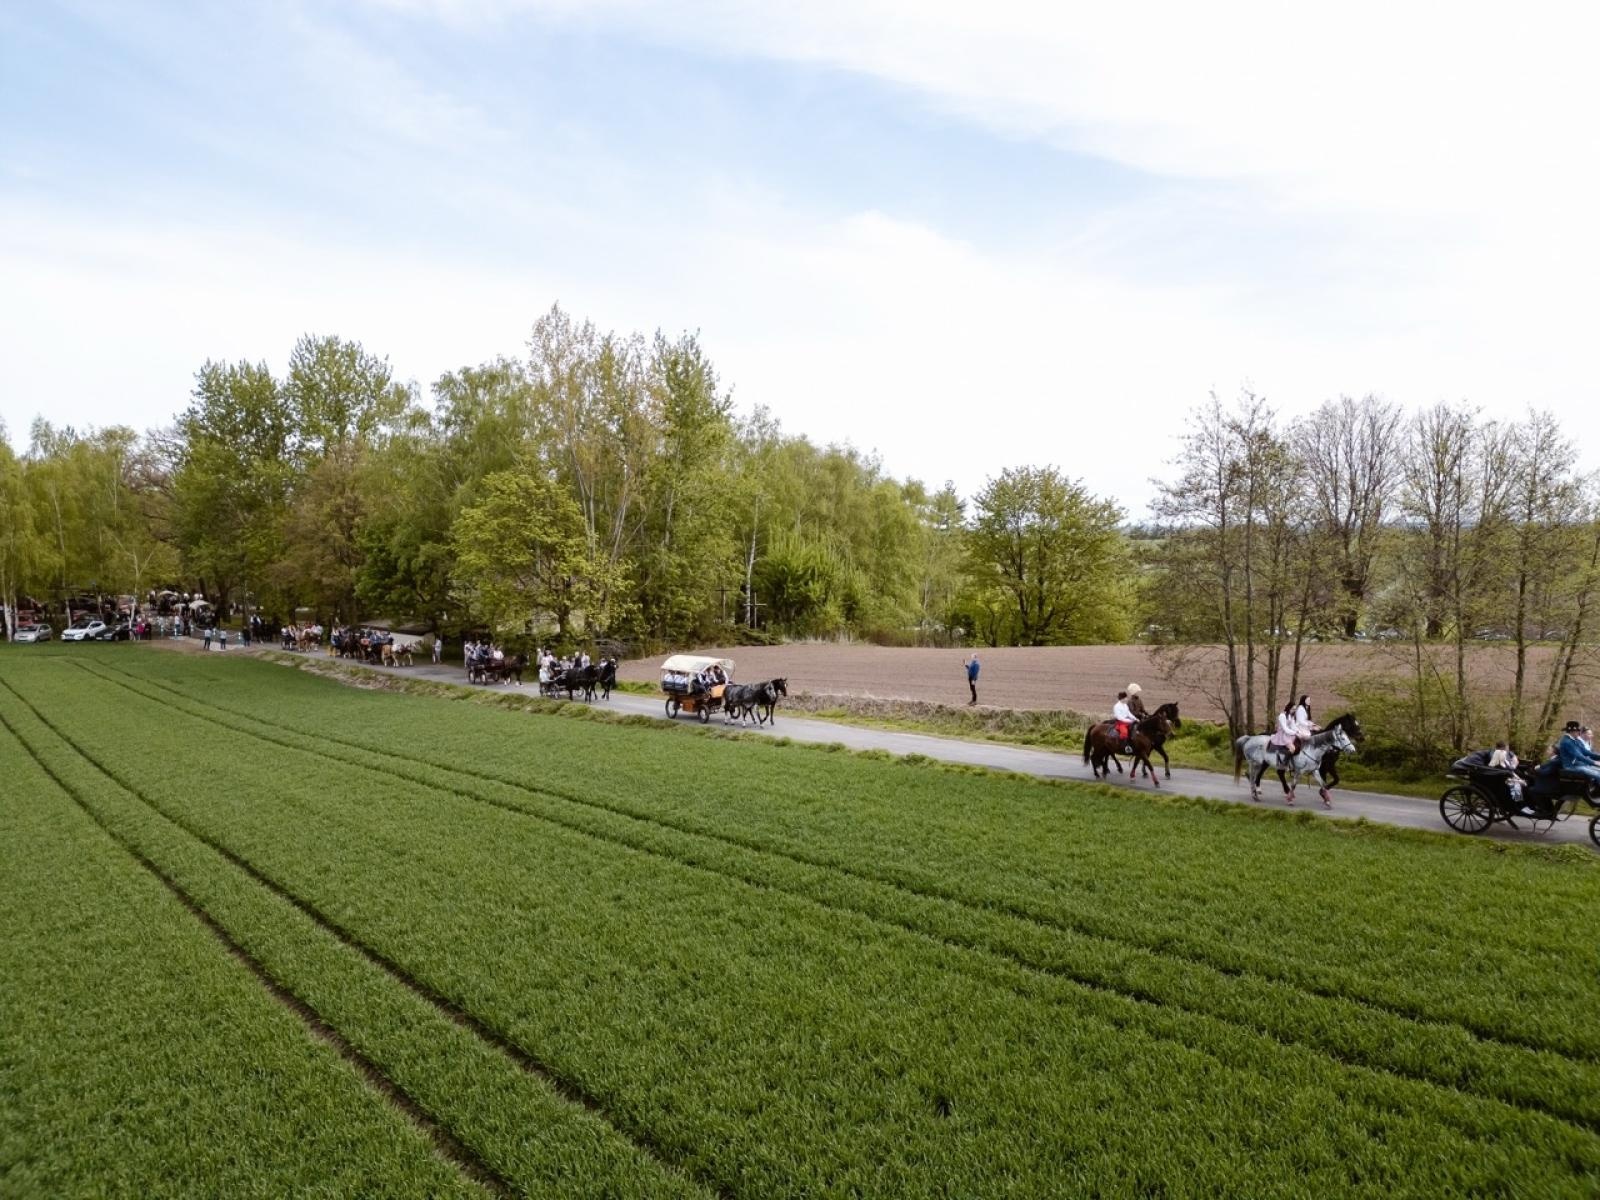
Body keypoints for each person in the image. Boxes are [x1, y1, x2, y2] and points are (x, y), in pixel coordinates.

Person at [1269, 700, 1300, 767]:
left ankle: (1292, 763)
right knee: (1292, 748)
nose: (1294, 711)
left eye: (1295, 709)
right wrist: (1294, 733)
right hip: (1282, 735)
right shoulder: (1282, 716)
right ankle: (1283, 764)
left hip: (1289, 734)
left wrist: (1299, 732)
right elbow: (1285, 729)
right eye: (1293, 709)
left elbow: (1293, 726)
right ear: (1289, 708)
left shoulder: (1290, 716)